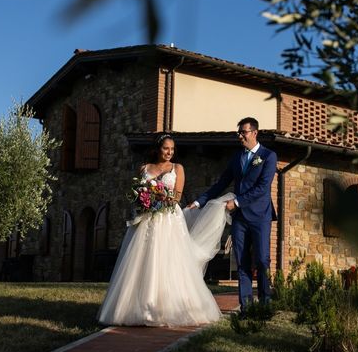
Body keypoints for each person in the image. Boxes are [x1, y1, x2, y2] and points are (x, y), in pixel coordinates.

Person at [97, 133, 224, 327]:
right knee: (142, 260)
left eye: (172, 149)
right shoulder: (144, 168)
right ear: (158, 149)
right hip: (147, 219)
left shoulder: (177, 168)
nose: (169, 153)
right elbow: (138, 192)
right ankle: (136, 308)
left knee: (169, 260)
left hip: (169, 219)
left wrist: (160, 199)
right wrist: (144, 200)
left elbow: (177, 196)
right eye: (166, 148)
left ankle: (170, 308)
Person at [188, 117, 277, 315]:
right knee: (242, 261)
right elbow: (221, 184)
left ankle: (265, 303)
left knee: (262, 260)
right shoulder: (237, 158)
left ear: (254, 133)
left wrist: (236, 202)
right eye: (239, 132)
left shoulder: (268, 156)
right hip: (240, 219)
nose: (240, 136)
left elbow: (262, 187)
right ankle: (245, 307)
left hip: (260, 216)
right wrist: (198, 202)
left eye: (243, 132)